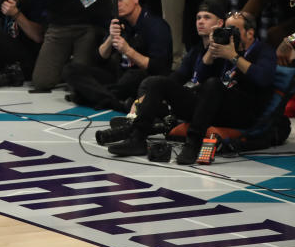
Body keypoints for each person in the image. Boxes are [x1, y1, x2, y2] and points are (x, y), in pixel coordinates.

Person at [107, 10, 275, 165]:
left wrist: (233, 57)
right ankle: (137, 138)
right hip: (211, 107)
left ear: (250, 33)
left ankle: (193, 144)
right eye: (227, 29)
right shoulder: (225, 48)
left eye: (234, 30)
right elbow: (198, 76)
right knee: (156, 82)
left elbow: (263, 78)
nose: (229, 33)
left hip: (241, 112)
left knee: (213, 84)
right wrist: (211, 52)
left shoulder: (263, 51)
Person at [63, 0, 172, 111]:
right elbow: (98, 59)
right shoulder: (119, 22)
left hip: (143, 79)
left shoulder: (156, 26)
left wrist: (128, 51)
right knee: (71, 70)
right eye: (114, 0)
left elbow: (159, 68)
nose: (117, 4)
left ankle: (90, 95)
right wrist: (110, 38)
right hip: (119, 77)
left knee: (133, 76)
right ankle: (115, 102)